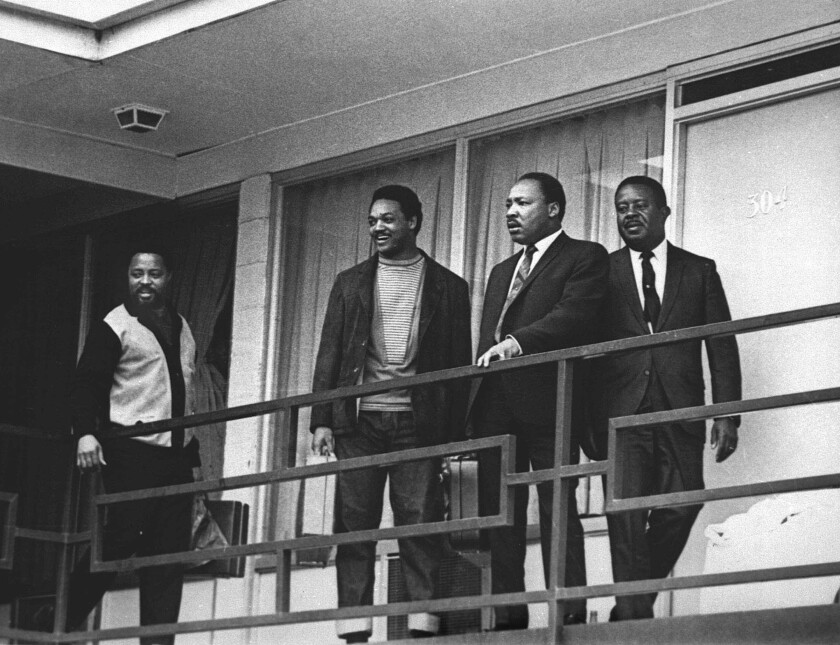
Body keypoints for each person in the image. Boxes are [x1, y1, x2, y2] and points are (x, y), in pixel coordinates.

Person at [310, 185, 471, 643]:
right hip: (358, 424)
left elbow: (458, 367)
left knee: (420, 524)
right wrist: (322, 418)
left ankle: (422, 625)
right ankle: (354, 630)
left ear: (413, 222)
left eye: (388, 219)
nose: (378, 227)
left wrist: (453, 436)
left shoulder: (449, 286)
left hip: (419, 426)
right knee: (353, 525)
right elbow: (330, 354)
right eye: (372, 220)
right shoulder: (349, 282)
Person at [594, 175, 742, 621]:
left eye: (639, 205)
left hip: (681, 407)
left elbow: (720, 343)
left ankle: (630, 608)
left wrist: (726, 414)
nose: (629, 214)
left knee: (683, 503)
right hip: (622, 413)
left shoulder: (699, 270)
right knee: (624, 516)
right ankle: (634, 621)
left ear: (663, 212)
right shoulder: (603, 271)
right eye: (622, 207)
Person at [472, 172, 608, 629]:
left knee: (557, 510)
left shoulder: (584, 256)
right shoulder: (498, 272)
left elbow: (574, 316)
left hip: (553, 401)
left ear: (553, 209)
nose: (511, 212)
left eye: (523, 203)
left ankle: (566, 616)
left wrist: (516, 343)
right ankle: (509, 619)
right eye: (508, 204)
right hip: (496, 406)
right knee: (500, 519)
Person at [67, 249, 197, 645]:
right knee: (120, 542)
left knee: (167, 558)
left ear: (168, 276)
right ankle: (57, 619)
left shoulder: (182, 325)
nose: (145, 281)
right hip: (132, 452)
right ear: (127, 276)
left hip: (176, 457)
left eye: (154, 273)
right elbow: (88, 382)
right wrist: (85, 433)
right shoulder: (115, 324)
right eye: (137, 273)